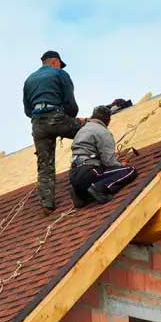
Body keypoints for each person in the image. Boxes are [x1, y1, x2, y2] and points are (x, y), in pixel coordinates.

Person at [23, 50, 86, 215]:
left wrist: (41, 118)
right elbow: (70, 103)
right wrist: (71, 120)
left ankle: (47, 204)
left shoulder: (29, 80)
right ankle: (94, 170)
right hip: (56, 116)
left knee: (45, 165)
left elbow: (27, 109)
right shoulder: (60, 73)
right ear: (55, 62)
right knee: (88, 132)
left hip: (37, 124)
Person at [69, 105, 138, 208]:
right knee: (130, 170)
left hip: (74, 176)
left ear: (93, 116)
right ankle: (100, 188)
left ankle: (80, 195)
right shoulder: (103, 132)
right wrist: (120, 165)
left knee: (91, 179)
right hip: (90, 172)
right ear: (107, 120)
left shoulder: (82, 131)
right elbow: (109, 162)